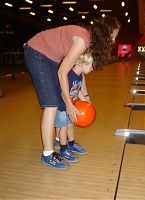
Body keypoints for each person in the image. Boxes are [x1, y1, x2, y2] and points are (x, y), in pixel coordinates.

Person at [23, 15, 120, 169]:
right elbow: (63, 73)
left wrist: (86, 98)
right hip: (37, 52)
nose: (113, 41)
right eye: (113, 36)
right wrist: (69, 104)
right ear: (106, 33)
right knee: (52, 103)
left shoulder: (89, 42)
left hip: (51, 57)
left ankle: (59, 141)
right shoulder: (83, 40)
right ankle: (48, 154)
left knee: (58, 101)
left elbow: (79, 72)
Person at [54, 51, 93, 163]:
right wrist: (68, 106)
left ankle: (71, 144)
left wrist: (86, 102)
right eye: (90, 65)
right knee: (64, 127)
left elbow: (78, 89)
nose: (92, 68)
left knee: (71, 125)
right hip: (63, 107)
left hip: (71, 106)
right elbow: (63, 92)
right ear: (82, 64)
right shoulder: (69, 75)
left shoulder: (80, 76)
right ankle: (63, 149)